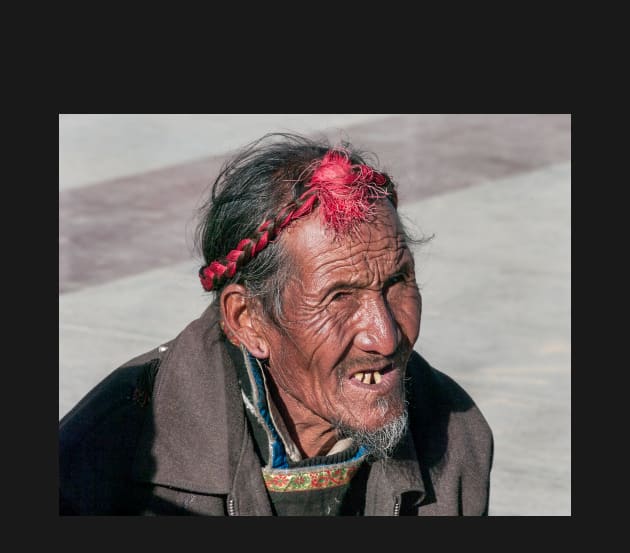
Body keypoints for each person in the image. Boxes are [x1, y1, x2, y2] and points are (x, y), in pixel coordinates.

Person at [59, 132, 493, 516]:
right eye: (339, 297)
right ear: (247, 321)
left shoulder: (456, 436)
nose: (386, 335)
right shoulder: (102, 459)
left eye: (398, 281)